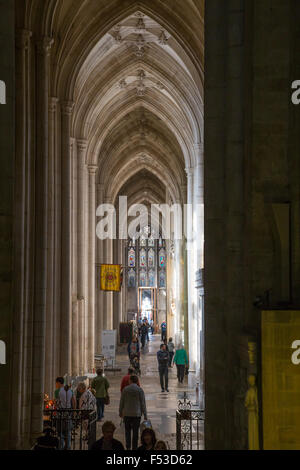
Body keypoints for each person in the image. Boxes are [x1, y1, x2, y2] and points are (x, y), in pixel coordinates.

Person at [119, 375, 147, 451]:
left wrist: (120, 411)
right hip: (136, 414)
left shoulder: (125, 389)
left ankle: (128, 447)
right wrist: (145, 414)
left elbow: (122, 402)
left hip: (127, 414)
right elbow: (143, 403)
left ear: (130, 381)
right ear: (137, 381)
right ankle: (134, 447)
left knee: (127, 431)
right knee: (135, 432)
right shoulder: (140, 390)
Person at [54, 377, 76, 450]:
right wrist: (74, 411)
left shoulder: (57, 391)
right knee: (68, 429)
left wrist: (55, 409)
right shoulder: (70, 390)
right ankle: (68, 446)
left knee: (60, 429)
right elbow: (73, 401)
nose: (56, 385)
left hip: (61, 411)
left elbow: (56, 402)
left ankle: (62, 445)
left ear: (59, 383)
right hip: (69, 411)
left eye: (56, 383)